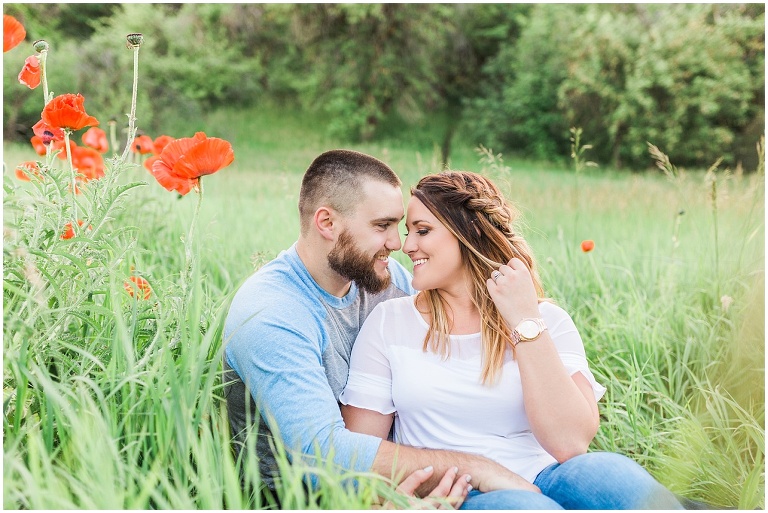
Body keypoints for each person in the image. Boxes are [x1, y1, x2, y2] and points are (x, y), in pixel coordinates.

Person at [339, 170, 685, 509]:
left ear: (469, 234)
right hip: (457, 493)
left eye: (423, 231)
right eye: (408, 231)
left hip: (546, 475)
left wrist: (524, 322)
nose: (407, 246)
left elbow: (571, 443)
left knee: (611, 475)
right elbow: (358, 453)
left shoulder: (546, 320)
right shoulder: (390, 322)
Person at [223, 151, 536, 507]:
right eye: (381, 226)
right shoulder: (271, 313)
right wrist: (478, 468)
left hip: (406, 485)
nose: (397, 243)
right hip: (310, 499)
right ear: (327, 223)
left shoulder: (386, 283)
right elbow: (319, 455)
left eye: (398, 226)